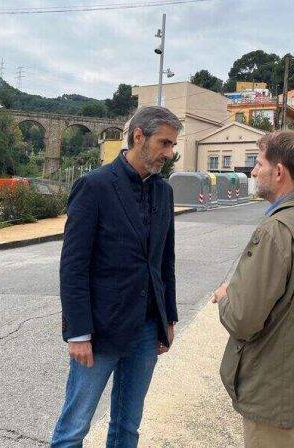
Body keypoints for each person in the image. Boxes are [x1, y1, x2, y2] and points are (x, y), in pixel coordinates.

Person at [51, 105, 183, 448]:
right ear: (138, 136)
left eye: (172, 145)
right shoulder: (94, 186)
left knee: (127, 427)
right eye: (164, 143)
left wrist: (167, 317)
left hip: (146, 329)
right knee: (73, 430)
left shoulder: (164, 192)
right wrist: (78, 332)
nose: (169, 153)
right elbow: (74, 266)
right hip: (100, 330)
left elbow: (164, 260)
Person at [212, 130, 294, 448]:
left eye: (258, 164)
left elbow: (243, 319)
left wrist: (225, 297)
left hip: (273, 391)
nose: (253, 172)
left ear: (279, 171)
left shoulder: (277, 231)